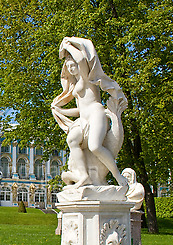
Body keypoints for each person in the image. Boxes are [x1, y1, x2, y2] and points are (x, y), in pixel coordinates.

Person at [51, 37, 128, 189]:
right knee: (72, 140)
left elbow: (80, 58)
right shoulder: (75, 85)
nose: (72, 69)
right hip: (84, 118)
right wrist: (61, 111)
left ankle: (117, 175)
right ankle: (84, 176)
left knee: (95, 146)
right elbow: (80, 110)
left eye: (73, 66)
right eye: (69, 67)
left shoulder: (87, 78)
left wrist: (67, 46)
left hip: (96, 113)